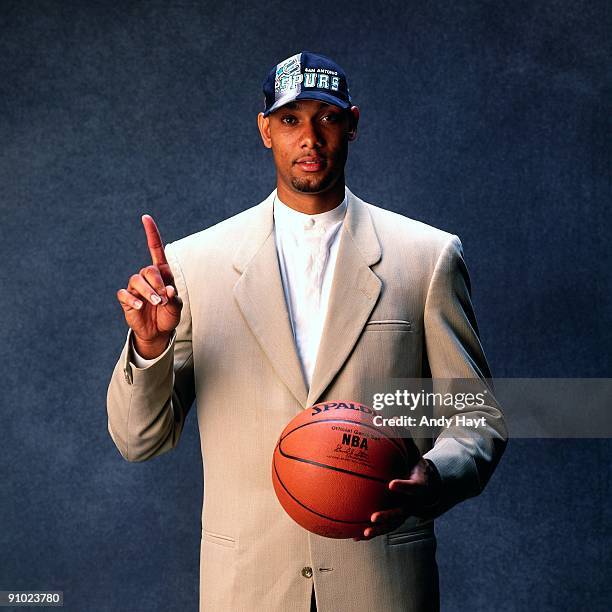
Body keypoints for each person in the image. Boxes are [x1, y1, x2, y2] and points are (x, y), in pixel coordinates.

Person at [107, 51, 507, 612]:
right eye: (291, 119)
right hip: (246, 587)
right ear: (265, 130)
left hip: (383, 582)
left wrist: (435, 476)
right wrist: (150, 347)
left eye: (328, 117)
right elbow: (138, 440)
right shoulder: (195, 264)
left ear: (353, 124)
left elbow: (475, 418)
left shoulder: (425, 257)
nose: (310, 138)